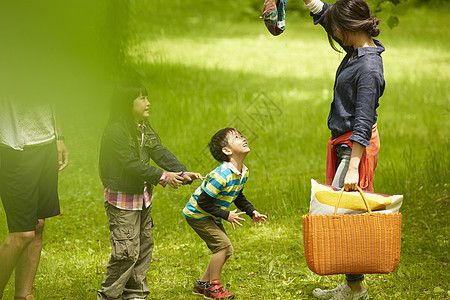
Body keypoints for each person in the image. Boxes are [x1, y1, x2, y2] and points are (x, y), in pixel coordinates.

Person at [302, 0, 384, 299]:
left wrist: (352, 166)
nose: (333, 32)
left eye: (337, 29)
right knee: (346, 213)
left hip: (355, 145)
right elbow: (328, 16)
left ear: (349, 28)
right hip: (345, 142)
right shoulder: (356, 50)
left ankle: (355, 287)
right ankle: (354, 284)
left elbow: (364, 120)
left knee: (344, 215)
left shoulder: (369, 67)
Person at [97, 80, 203, 300]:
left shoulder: (144, 128)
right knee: (126, 251)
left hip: (142, 198)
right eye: (142, 98)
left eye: (147, 97)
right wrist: (163, 176)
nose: (148, 103)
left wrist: (182, 173)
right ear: (127, 103)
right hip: (123, 200)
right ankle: (108, 296)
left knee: (144, 246)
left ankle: (135, 294)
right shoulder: (116, 132)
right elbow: (130, 164)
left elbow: (159, 152)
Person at [183, 128, 268, 299]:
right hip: (197, 214)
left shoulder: (243, 171)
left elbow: (238, 196)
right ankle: (213, 287)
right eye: (236, 138)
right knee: (222, 246)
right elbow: (203, 202)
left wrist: (252, 211)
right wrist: (226, 215)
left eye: (242, 135)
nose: (243, 138)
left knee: (225, 250)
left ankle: (202, 285)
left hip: (210, 214)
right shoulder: (221, 175)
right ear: (227, 151)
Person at [0, 99, 69, 300]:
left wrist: (59, 136)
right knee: (22, 233)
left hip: (46, 145)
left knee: (38, 225)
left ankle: (23, 296)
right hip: (13, 150)